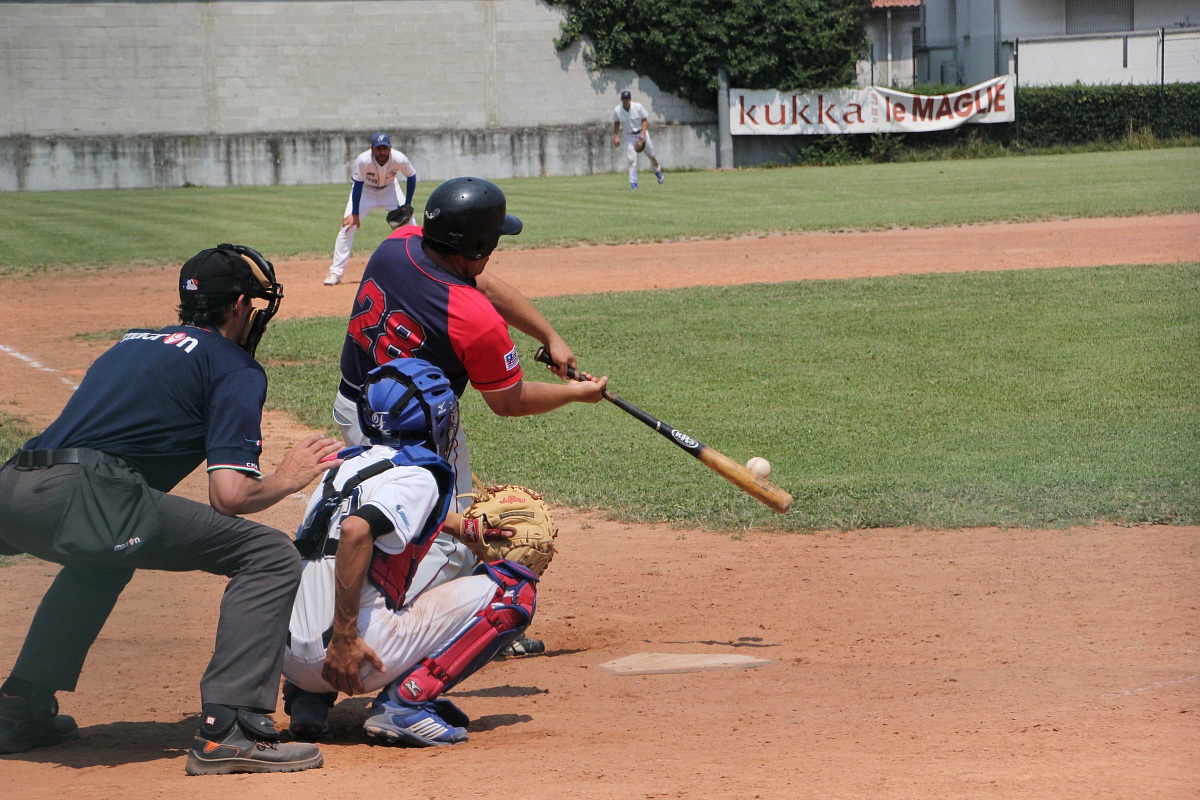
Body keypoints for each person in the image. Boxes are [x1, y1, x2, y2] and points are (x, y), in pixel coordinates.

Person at [0, 244, 344, 775]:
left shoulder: (131, 342)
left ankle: (18, 707)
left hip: (14, 487)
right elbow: (230, 496)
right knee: (270, 555)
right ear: (238, 305)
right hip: (84, 497)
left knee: (102, 560)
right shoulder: (233, 365)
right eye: (252, 303)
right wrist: (288, 477)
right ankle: (230, 729)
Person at [332, 175, 606, 659]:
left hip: (355, 407)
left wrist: (549, 335)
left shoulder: (397, 246)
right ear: (477, 247)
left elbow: (479, 281)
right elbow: (508, 401)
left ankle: (382, 612)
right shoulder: (474, 319)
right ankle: (409, 634)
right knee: (455, 541)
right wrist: (573, 395)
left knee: (389, 522)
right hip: (418, 440)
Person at [282, 357, 540, 746]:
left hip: (288, 655)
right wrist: (345, 636)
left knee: (327, 567)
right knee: (514, 591)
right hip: (348, 655)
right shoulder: (419, 475)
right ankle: (405, 704)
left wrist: (467, 528)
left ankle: (308, 702)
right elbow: (355, 531)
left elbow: (380, 517)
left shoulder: (343, 467)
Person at [324, 132, 418, 286]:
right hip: (365, 191)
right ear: (372, 148)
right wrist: (355, 214)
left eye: (385, 148)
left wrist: (407, 205)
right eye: (378, 149)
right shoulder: (363, 160)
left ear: (390, 148)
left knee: (411, 226)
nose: (382, 152)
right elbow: (357, 185)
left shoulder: (399, 158)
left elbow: (411, 176)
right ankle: (336, 272)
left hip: (390, 190)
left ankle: (418, 269)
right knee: (348, 227)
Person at [612, 90, 664, 190]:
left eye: (627, 98)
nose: (626, 100)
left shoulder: (637, 106)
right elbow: (616, 122)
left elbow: (644, 120)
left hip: (641, 133)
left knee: (652, 155)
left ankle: (658, 172)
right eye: (624, 99)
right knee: (631, 160)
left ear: (630, 99)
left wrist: (643, 134)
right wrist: (615, 136)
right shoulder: (617, 110)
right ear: (621, 99)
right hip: (629, 136)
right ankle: (633, 184)